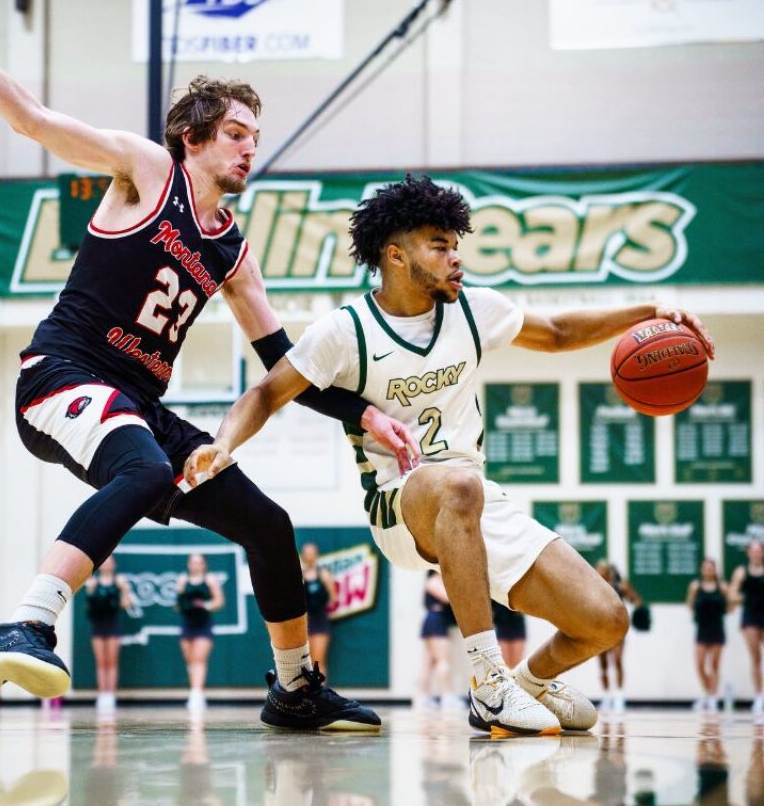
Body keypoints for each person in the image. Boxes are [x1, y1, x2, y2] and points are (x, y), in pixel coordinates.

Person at [0, 0, 419, 734]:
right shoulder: (146, 170)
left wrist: (362, 413)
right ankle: (26, 622)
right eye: (236, 135)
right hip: (60, 377)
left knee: (268, 524)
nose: (249, 150)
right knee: (142, 466)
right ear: (193, 137)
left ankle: (294, 686)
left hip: (136, 402)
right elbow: (31, 120)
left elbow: (281, 367)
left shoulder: (233, 251)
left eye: (254, 138)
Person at [185, 174, 716, 738]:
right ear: (395, 255)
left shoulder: (474, 310)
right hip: (400, 504)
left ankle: (526, 683)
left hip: (474, 500)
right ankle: (488, 685)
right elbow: (266, 392)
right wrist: (221, 444)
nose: (455, 257)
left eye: (455, 244)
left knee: (606, 620)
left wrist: (651, 310)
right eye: (439, 245)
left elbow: (559, 332)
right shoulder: (347, 331)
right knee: (459, 484)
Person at [84, 555, 135, 714]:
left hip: (113, 625)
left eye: (109, 562)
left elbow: (127, 603)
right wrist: (92, 592)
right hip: (98, 625)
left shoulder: (119, 581)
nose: (106, 565)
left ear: (114, 564)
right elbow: (89, 607)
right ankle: (102, 693)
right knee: (101, 661)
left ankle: (110, 694)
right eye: (104, 562)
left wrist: (123, 593)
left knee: (111, 661)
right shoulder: (93, 582)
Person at [175, 553, 224, 714]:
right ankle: (197, 691)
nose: (196, 565)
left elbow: (219, 601)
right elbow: (177, 604)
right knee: (190, 661)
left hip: (203, 625)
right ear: (189, 564)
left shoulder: (210, 580)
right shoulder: (182, 580)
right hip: (187, 624)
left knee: (199, 660)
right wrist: (185, 604)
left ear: (204, 564)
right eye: (193, 562)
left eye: (199, 562)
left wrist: (204, 605)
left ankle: (196, 695)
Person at [594, 562, 642, 713]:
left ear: (608, 572)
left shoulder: (620, 586)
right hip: (600, 628)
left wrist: (636, 612)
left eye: (601, 569)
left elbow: (637, 601)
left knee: (617, 660)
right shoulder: (594, 586)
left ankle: (620, 696)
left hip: (617, 628)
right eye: (597, 569)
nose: (597, 571)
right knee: (603, 664)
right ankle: (607, 696)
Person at [687, 558, 731, 712]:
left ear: (715, 570)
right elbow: (690, 604)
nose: (708, 570)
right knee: (699, 664)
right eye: (705, 567)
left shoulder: (723, 587)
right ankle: (708, 693)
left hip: (717, 628)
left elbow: (730, 606)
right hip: (702, 628)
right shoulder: (695, 586)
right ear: (702, 569)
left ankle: (712, 697)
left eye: (711, 567)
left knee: (714, 665)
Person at [417, 569, 463, 712]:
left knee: (429, 662)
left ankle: (423, 698)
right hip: (435, 622)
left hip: (438, 622)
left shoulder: (439, 581)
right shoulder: (433, 582)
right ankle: (447, 697)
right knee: (442, 661)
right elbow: (448, 598)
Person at [729, 538, 764, 715]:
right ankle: (759, 697)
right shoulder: (741, 572)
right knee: (756, 657)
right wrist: (744, 598)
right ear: (749, 553)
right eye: (754, 550)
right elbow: (732, 595)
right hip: (750, 617)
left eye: (760, 550)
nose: (757, 553)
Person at [299, 544, 337, 678]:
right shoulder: (299, 577)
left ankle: (320, 695)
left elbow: (333, 597)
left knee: (318, 661)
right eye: (307, 554)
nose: (309, 557)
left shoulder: (324, 575)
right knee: (305, 663)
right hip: (304, 622)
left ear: (316, 555)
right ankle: (305, 695)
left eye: (312, 553)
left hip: (320, 621)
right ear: (303, 556)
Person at [492, 600, 527, 670]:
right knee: (504, 663)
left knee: (516, 664)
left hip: (516, 623)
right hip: (501, 623)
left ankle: (514, 679)